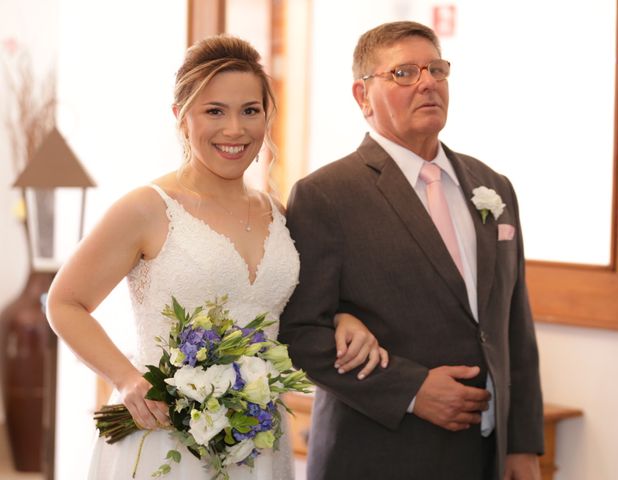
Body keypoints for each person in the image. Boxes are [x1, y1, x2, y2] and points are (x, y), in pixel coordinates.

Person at [46, 34, 387, 480]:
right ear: (181, 118)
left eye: (250, 110)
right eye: (214, 111)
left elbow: (297, 310)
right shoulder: (146, 208)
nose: (235, 130)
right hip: (164, 436)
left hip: (258, 439)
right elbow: (64, 303)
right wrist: (128, 379)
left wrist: (343, 319)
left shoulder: (278, 214)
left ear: (267, 116)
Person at [279, 20, 544, 480]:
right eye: (404, 73)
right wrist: (411, 390)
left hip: (486, 456)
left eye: (437, 70)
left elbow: (513, 324)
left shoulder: (493, 186)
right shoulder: (326, 194)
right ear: (362, 96)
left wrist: (522, 445)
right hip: (378, 454)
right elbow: (300, 332)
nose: (427, 83)